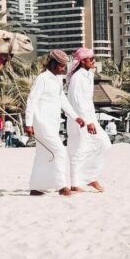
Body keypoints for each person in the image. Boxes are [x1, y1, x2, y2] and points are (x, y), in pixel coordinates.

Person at [24, 49, 86, 197]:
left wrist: (75, 116)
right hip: (41, 122)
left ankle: (36, 188)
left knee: (43, 154)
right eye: (61, 66)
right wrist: (28, 123)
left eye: (64, 66)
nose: (63, 69)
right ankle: (62, 186)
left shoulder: (57, 79)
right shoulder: (42, 78)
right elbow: (31, 100)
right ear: (52, 64)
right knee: (59, 151)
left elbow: (62, 100)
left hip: (53, 122)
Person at [66, 47, 110, 192]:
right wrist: (87, 121)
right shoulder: (78, 77)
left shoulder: (88, 75)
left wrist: (91, 119)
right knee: (79, 149)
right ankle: (75, 183)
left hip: (89, 118)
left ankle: (90, 177)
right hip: (80, 119)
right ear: (83, 61)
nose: (94, 61)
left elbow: (87, 101)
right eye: (91, 59)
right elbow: (77, 101)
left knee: (104, 144)